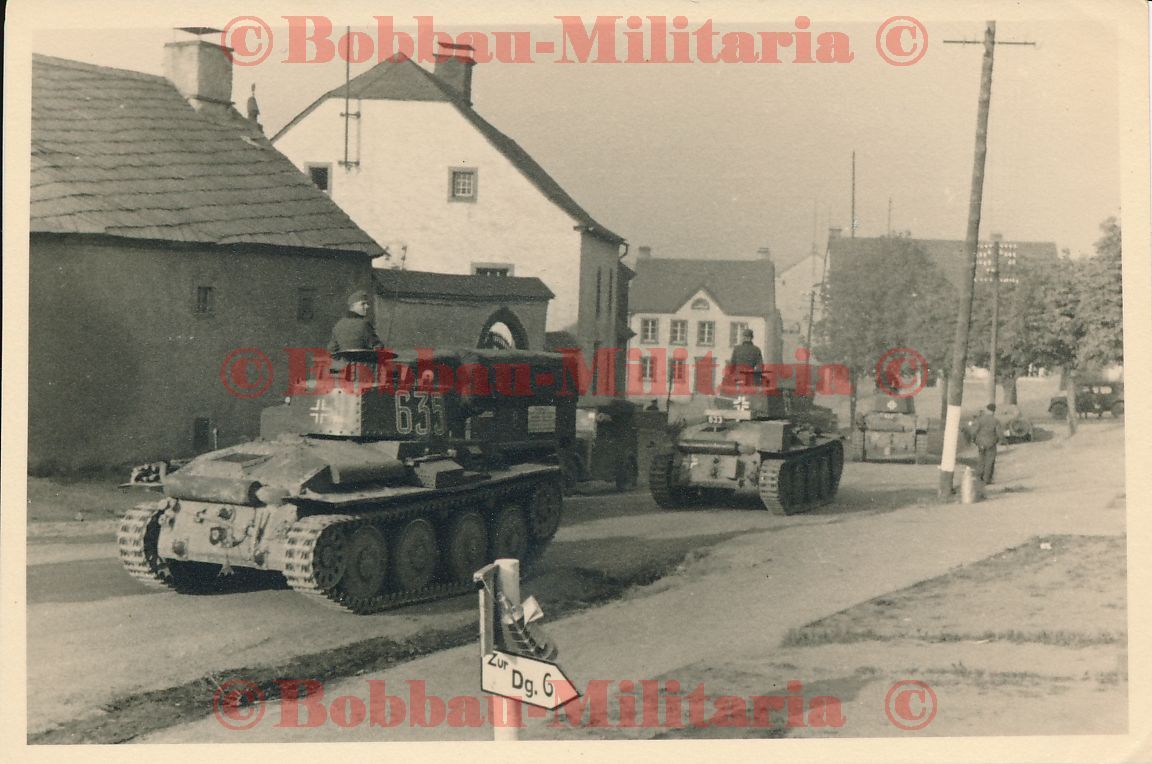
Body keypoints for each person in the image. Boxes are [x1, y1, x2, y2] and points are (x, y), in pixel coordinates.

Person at [328, 290, 384, 354]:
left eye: (367, 304)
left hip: (345, 363)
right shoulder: (364, 324)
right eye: (363, 304)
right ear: (353, 307)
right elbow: (378, 347)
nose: (367, 306)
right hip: (364, 363)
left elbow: (331, 349)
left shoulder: (338, 325)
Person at [971, 403, 1006, 485]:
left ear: (987, 410)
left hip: (981, 443)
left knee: (981, 459)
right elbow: (999, 433)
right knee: (990, 461)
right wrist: (1002, 440)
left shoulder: (979, 419)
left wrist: (974, 440)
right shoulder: (995, 421)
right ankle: (987, 479)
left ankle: (979, 477)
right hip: (991, 443)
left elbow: (974, 431)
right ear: (994, 411)